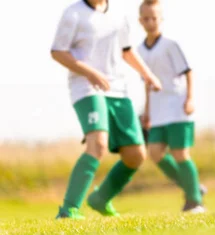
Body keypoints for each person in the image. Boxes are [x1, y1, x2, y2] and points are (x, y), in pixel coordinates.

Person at [51, 0, 162, 219]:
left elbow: (127, 50)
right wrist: (89, 72)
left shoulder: (119, 14)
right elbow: (58, 51)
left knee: (136, 155)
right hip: (86, 88)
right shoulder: (73, 13)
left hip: (117, 89)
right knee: (98, 143)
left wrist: (148, 75)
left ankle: (101, 198)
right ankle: (68, 209)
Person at [137, 0, 204, 213]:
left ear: (161, 19)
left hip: (177, 107)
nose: (150, 22)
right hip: (157, 112)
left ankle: (194, 201)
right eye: (146, 19)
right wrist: (146, 111)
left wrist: (190, 99)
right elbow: (147, 85)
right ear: (140, 21)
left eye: (154, 18)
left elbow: (188, 72)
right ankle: (192, 187)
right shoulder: (138, 50)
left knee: (180, 154)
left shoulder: (171, 44)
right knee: (155, 153)